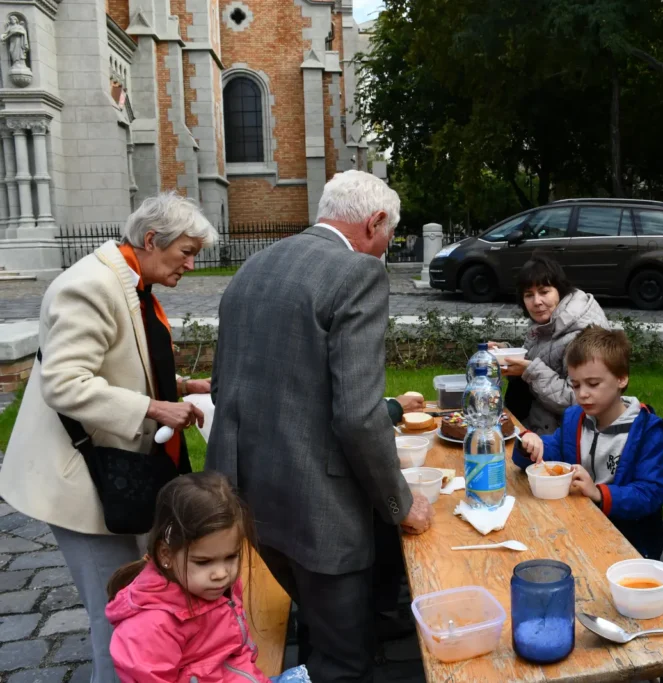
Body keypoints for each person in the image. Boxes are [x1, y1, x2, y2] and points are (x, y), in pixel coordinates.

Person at [206, 170, 433, 683]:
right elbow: (357, 415)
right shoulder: (357, 273)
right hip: (319, 510)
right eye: (388, 237)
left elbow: (227, 387)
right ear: (374, 222)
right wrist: (399, 503)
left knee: (317, 625)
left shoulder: (253, 267)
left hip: (250, 496)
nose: (384, 249)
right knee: (343, 660)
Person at [0, 193, 215, 683]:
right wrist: (154, 407)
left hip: (116, 469)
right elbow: (65, 383)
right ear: (151, 240)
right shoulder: (92, 286)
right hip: (83, 480)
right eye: (186, 251)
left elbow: (115, 369)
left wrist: (180, 387)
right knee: (118, 613)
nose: (191, 263)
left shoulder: (129, 280)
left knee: (135, 602)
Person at [106, 472, 310, 683]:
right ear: (166, 554)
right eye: (203, 562)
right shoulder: (150, 626)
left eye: (231, 557)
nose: (221, 574)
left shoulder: (216, 587)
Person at [512, 327, 663, 559]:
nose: (582, 394)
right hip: (578, 527)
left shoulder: (647, 430)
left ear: (621, 378)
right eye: (575, 385)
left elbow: (650, 493)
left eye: (593, 384)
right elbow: (550, 452)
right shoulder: (575, 419)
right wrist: (528, 443)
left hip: (629, 543)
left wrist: (598, 493)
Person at [492, 255, 609, 435]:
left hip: (564, 438)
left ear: (560, 291)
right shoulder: (547, 322)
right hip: (531, 423)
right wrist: (507, 353)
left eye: (544, 291)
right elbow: (542, 358)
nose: (537, 302)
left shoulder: (583, 335)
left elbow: (579, 401)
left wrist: (530, 372)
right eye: (529, 295)